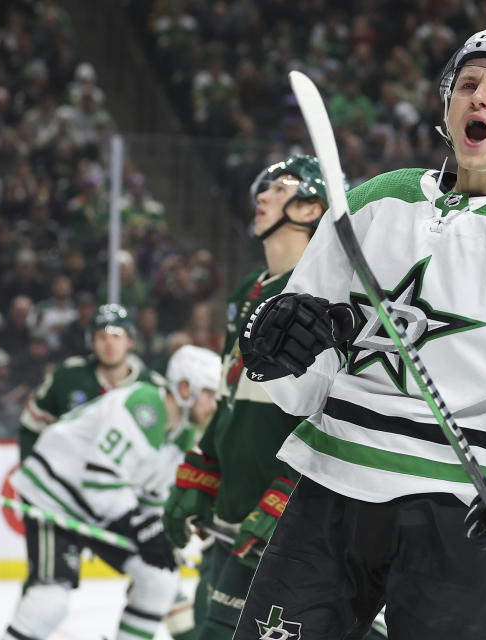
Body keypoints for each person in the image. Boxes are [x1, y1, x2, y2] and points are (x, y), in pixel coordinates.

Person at [233, 27, 486, 639]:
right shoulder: (375, 201)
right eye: (467, 84)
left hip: (461, 513)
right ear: (447, 106)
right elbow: (302, 383)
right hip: (329, 493)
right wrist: (278, 354)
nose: (479, 97)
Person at [161, 155, 384, 640]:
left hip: (289, 520)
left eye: (278, 188)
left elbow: (339, 410)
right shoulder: (249, 289)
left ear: (311, 208)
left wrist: (286, 493)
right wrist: (205, 468)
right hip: (234, 517)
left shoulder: (334, 293)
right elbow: (228, 398)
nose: (259, 196)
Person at [1, 344, 222, 640]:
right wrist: (144, 530)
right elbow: (101, 479)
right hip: (55, 498)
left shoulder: (183, 431)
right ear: (185, 388)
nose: (214, 405)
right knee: (50, 602)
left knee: (160, 579)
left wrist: (157, 530)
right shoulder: (143, 406)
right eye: (209, 394)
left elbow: (151, 498)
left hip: (99, 507)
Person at [18, 302, 166, 460]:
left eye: (116, 336)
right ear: (91, 342)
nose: (109, 344)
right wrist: (30, 468)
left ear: (130, 341)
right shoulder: (66, 376)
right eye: (102, 337)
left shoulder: (152, 386)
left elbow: (170, 437)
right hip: (70, 476)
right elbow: (31, 426)